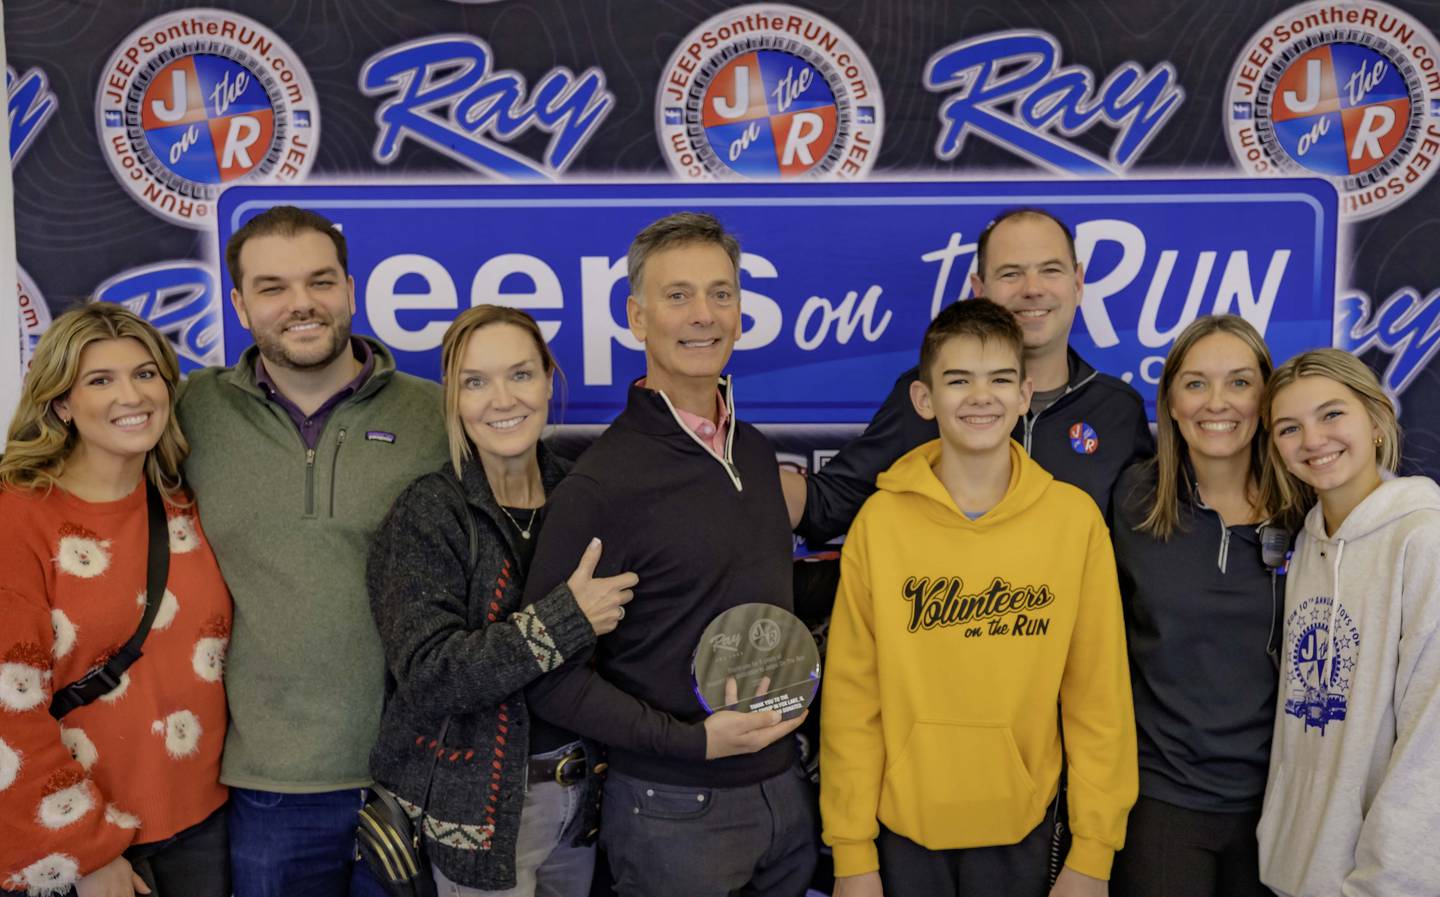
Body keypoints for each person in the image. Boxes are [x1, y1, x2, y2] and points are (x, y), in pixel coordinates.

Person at [522, 212, 814, 897]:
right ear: (637, 315)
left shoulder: (755, 451)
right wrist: (694, 744)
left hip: (786, 796)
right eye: (677, 295)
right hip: (673, 812)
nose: (702, 315)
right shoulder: (602, 483)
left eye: (720, 293)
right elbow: (549, 679)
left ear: (742, 312)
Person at [820, 298, 1136, 897]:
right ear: (924, 399)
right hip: (902, 836)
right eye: (957, 380)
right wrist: (852, 855)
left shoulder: (1073, 522)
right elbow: (852, 703)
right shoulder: (880, 523)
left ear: (1026, 393)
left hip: (1023, 829)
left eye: (998, 379)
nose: (979, 396)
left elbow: (1099, 699)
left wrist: (1094, 850)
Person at [176, 206, 449, 897]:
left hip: (418, 774)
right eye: (272, 287)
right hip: (271, 786)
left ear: (350, 290)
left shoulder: (438, 416)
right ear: (238, 305)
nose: (301, 303)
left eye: (320, 281)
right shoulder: (187, 413)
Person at [366, 306, 637, 896]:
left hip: (584, 795)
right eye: (475, 381)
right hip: (480, 818)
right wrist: (565, 620)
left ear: (548, 379)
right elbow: (429, 675)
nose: (502, 399)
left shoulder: (584, 494)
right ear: (454, 399)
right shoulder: (430, 512)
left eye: (520, 374)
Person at [0, 304, 231, 897]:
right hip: (77, 844)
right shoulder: (17, 517)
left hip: (200, 826)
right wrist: (84, 852)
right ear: (60, 404)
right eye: (100, 380)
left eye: (146, 373)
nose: (132, 395)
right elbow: (7, 715)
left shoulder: (183, 505)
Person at [784, 207, 1152, 538]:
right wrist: (731, 472)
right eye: (1011, 274)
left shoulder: (1117, 410)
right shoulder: (932, 395)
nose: (1033, 289)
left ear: (1078, 282)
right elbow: (827, 504)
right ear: (979, 289)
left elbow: (1143, 553)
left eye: (1051, 270)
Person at [1107, 315, 1294, 897]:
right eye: (1196, 383)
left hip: (1283, 804)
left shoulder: (1311, 507)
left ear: (1267, 397)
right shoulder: (1132, 497)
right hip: (1163, 800)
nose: (1218, 402)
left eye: (1240, 382)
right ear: (1169, 400)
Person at [1256, 348, 1440, 897]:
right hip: (1292, 871)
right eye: (1290, 427)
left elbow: (1429, 738)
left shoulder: (1422, 538)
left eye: (1332, 414)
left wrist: (1387, 883)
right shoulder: (1305, 546)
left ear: (1377, 419)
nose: (1313, 440)